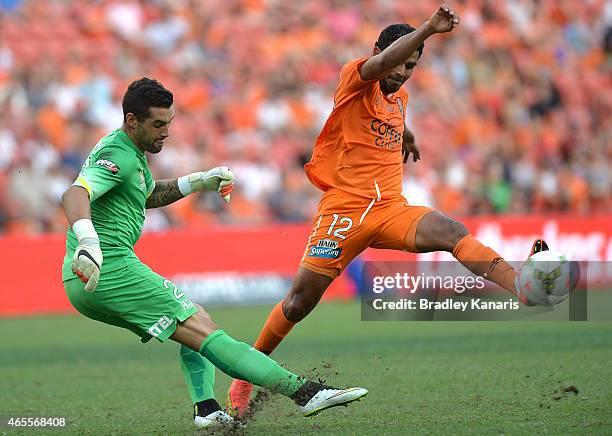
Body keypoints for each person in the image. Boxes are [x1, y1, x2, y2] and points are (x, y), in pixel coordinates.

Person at [227, 4, 550, 415]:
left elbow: (394, 115)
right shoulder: (356, 75)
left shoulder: (400, 97)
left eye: (412, 67)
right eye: (400, 62)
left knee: (451, 231)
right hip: (343, 213)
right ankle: (245, 372)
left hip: (391, 210)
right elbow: (384, 63)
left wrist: (409, 138)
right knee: (297, 304)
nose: (402, 73)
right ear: (380, 50)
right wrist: (428, 29)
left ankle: (521, 286)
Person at [61, 78, 368, 430]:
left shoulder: (127, 151)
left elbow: (143, 195)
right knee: (204, 329)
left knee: (194, 319)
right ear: (132, 121)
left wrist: (199, 181)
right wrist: (89, 241)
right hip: (109, 266)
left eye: (169, 123)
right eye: (158, 125)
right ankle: (305, 393)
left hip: (88, 278)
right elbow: (74, 194)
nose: (166, 132)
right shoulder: (118, 154)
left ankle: (206, 409)